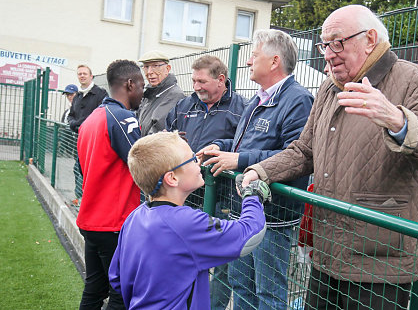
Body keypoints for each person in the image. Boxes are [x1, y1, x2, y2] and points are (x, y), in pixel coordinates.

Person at [240, 5, 418, 309]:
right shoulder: (328, 89)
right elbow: (303, 150)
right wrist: (261, 171)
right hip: (328, 252)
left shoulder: (414, 78)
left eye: (337, 42)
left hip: (381, 262)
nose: (328, 54)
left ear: (370, 39)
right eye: (324, 45)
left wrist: (398, 121)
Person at [200, 29, 314, 310]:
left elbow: (294, 156)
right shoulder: (259, 97)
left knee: (268, 295)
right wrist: (219, 145)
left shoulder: (298, 100)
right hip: (244, 210)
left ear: (274, 61)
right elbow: (244, 141)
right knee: (241, 287)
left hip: (273, 217)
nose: (248, 62)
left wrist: (238, 160)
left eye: (253, 55)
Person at [108, 131, 269, 310]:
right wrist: (252, 196)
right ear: (172, 178)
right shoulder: (186, 223)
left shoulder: (135, 217)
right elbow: (249, 235)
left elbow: (117, 278)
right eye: (192, 159)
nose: (198, 162)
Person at [165, 55, 246, 309]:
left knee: (220, 263)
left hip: (222, 197)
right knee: (183, 256)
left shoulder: (241, 108)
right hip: (186, 198)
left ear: (221, 79)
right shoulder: (184, 106)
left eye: (202, 81)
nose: (197, 87)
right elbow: (167, 138)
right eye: (194, 81)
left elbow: (244, 146)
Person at [76, 60, 144, 310]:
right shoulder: (123, 117)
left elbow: (83, 168)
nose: (142, 91)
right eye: (141, 85)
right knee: (121, 295)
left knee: (94, 289)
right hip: (113, 224)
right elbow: (143, 164)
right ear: (129, 84)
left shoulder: (92, 118)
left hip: (90, 219)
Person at [68, 65, 108, 206]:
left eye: (85, 73)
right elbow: (71, 116)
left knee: (92, 173)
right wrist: (74, 125)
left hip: (95, 141)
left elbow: (102, 115)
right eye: (79, 74)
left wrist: (81, 124)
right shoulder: (78, 96)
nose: (82, 76)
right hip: (79, 140)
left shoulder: (100, 94)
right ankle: (82, 200)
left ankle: (93, 203)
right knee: (79, 169)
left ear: (91, 76)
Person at [137, 50, 185, 136]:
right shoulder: (149, 93)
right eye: (146, 67)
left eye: (155, 66)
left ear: (168, 68)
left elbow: (158, 130)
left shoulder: (174, 95)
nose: (149, 72)